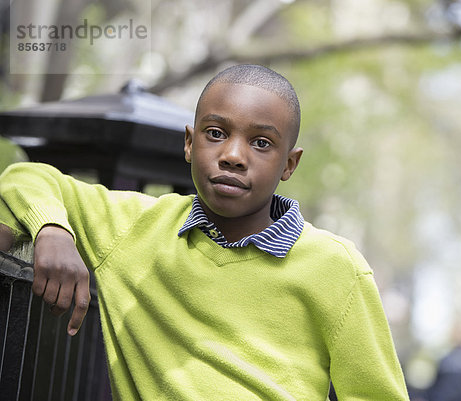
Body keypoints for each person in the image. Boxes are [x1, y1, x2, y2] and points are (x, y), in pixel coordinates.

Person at [0, 64, 410, 400]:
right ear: (189, 144)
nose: (233, 155)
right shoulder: (136, 227)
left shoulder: (336, 266)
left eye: (262, 143)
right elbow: (26, 176)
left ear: (289, 164)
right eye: (216, 134)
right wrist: (52, 229)